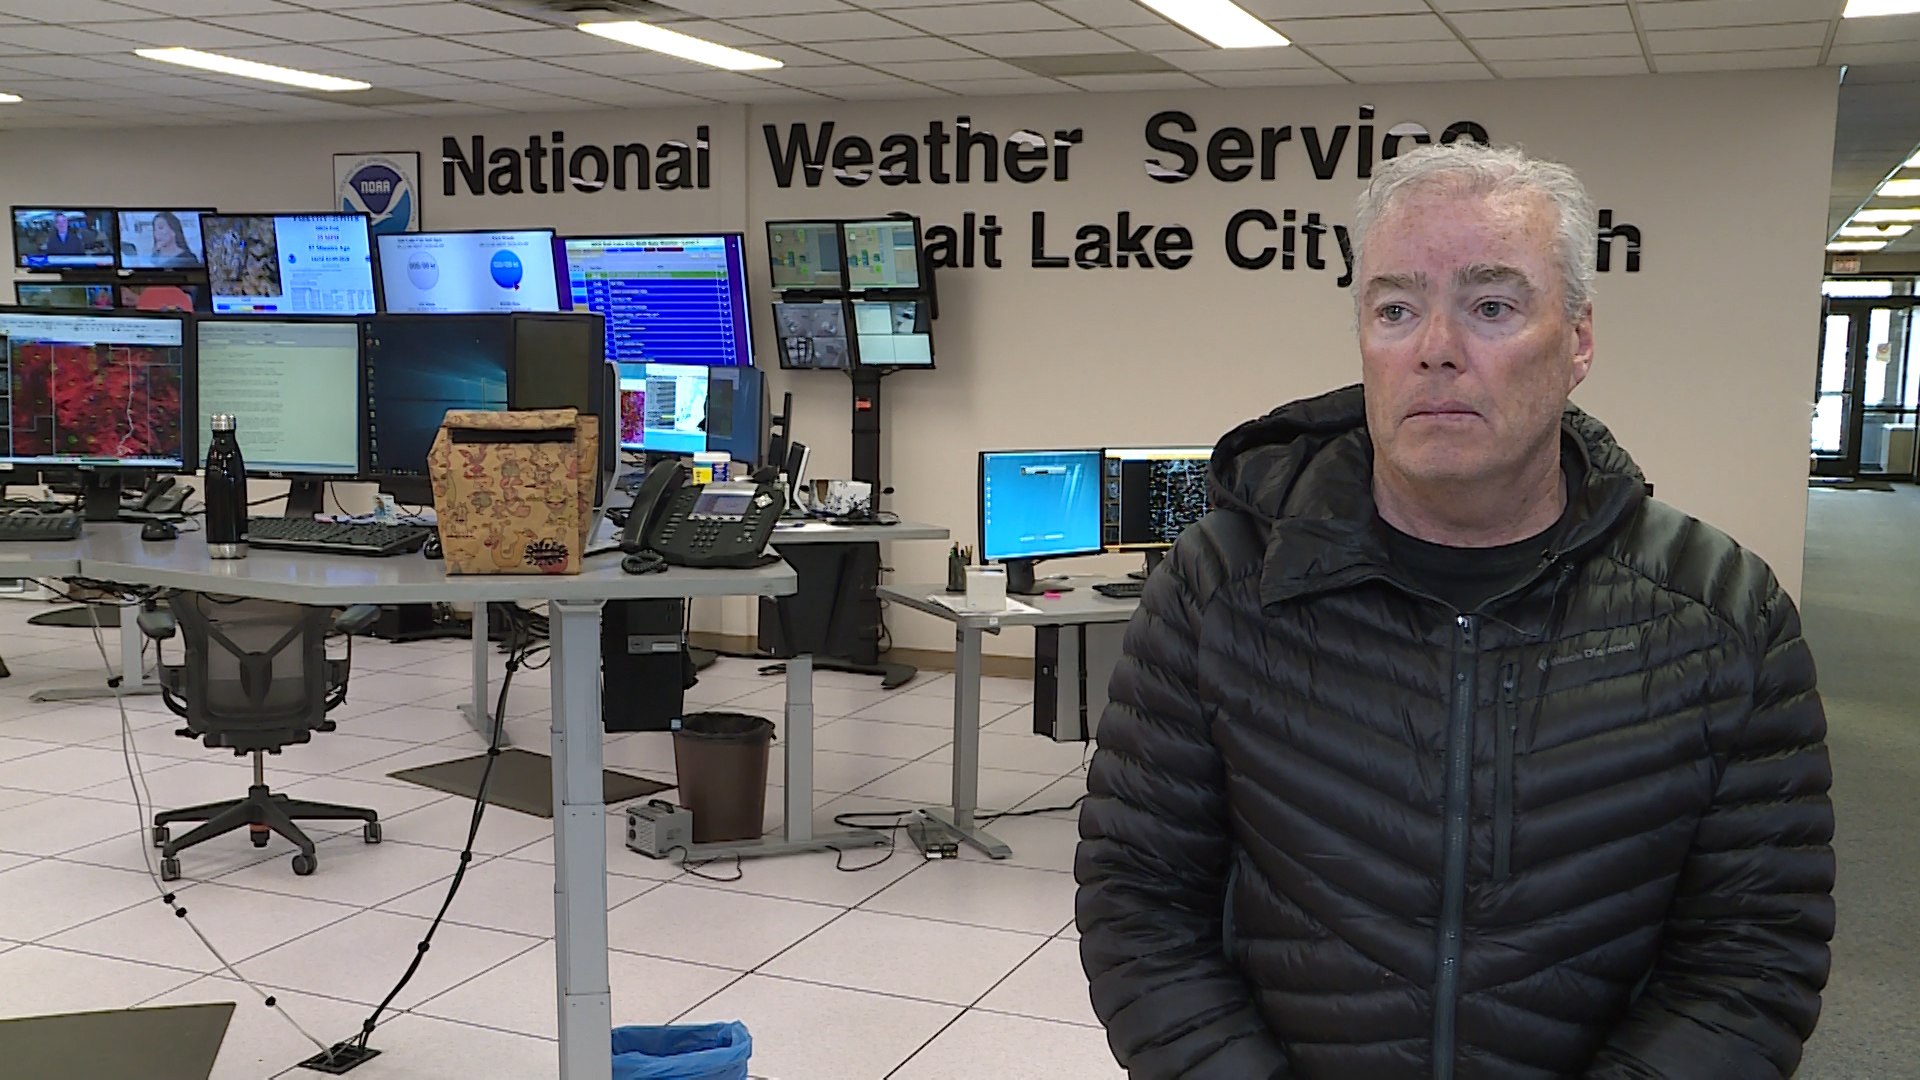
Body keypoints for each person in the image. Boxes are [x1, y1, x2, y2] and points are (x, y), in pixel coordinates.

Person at [1076, 142, 1835, 1080]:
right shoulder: (1219, 586)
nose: (1434, 347)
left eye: (1491, 306)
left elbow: (1753, 956)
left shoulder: (1723, 613)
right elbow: (1139, 901)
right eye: (1395, 308)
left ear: (1579, 341)